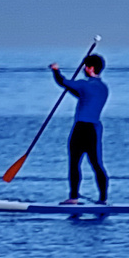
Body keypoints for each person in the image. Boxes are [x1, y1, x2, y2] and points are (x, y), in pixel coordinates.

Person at [50, 54, 109, 205]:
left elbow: (63, 82)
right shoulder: (103, 88)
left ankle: (74, 197)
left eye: (85, 67)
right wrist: (70, 87)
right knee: (96, 164)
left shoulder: (84, 85)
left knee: (75, 163)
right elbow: (81, 94)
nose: (83, 70)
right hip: (94, 130)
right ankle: (103, 199)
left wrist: (56, 70)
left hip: (81, 128)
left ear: (90, 69)